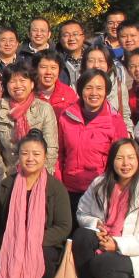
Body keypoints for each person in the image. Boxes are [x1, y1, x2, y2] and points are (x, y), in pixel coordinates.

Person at [0, 131, 71, 278]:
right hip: (10, 240)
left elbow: (64, 226)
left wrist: (30, 241)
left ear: (45, 157)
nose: (30, 158)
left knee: (44, 256)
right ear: (18, 156)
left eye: (36, 154)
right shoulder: (8, 184)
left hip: (41, 242)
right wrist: (2, 243)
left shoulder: (55, 188)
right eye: (25, 153)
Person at [69, 139, 139, 278]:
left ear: (138, 160)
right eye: (120, 158)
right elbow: (82, 212)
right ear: (112, 160)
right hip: (103, 239)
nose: (125, 163)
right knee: (82, 235)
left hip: (131, 251)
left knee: (101, 265)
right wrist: (96, 224)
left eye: (131, 157)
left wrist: (117, 244)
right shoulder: (100, 184)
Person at [57, 69, 128, 214]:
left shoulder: (114, 120)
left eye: (99, 88)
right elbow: (59, 154)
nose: (94, 93)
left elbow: (121, 158)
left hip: (101, 191)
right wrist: (59, 185)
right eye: (88, 88)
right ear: (80, 90)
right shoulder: (67, 116)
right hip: (69, 190)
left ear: (106, 91)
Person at [0, 60, 59, 182]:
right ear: (6, 85)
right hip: (7, 175)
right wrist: (2, 178)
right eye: (12, 81)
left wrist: (38, 179)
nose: (18, 85)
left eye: (23, 80)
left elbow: (51, 148)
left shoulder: (44, 109)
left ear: (32, 84)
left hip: (38, 176)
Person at [82, 43, 133, 134]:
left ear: (108, 64)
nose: (96, 65)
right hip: (86, 137)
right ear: (85, 64)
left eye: (101, 61)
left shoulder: (119, 87)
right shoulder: (76, 87)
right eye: (91, 61)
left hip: (115, 138)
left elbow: (125, 116)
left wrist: (128, 134)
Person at [34, 50, 77, 116]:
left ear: (59, 70)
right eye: (43, 67)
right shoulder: (28, 92)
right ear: (36, 69)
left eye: (53, 68)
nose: (48, 72)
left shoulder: (68, 93)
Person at [55, 20, 86, 86]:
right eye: (66, 35)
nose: (71, 38)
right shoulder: (54, 60)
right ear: (60, 39)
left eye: (75, 34)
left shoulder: (93, 57)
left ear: (83, 37)